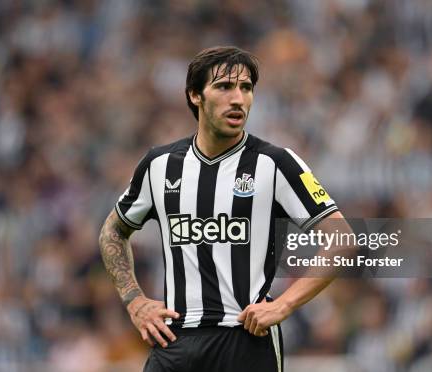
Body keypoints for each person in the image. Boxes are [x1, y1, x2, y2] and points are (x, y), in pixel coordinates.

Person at [99, 46, 352, 372]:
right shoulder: (159, 166)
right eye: (224, 87)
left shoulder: (275, 163)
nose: (238, 99)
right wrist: (134, 301)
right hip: (175, 342)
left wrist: (285, 305)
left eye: (246, 88)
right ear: (195, 95)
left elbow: (343, 238)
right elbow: (113, 232)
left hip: (245, 340)